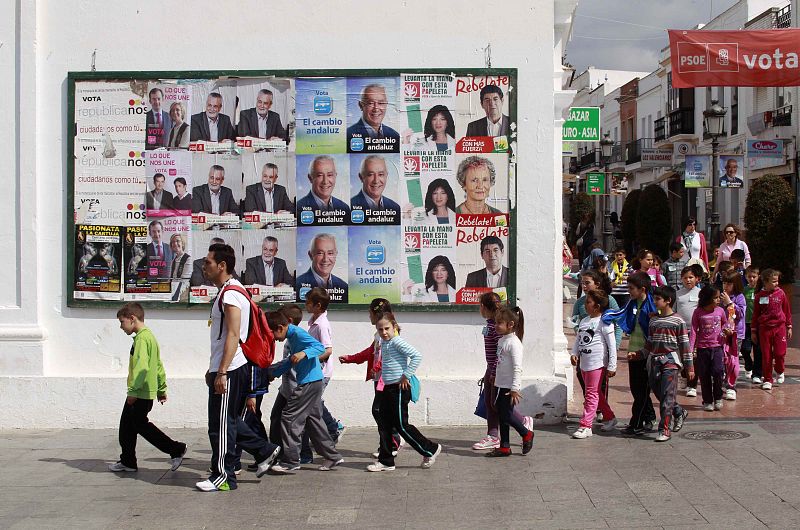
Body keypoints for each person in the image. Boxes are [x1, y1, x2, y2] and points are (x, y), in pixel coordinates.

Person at [195, 244, 282, 492]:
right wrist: (213, 369)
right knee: (229, 421)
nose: (204, 266)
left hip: (232, 369)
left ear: (222, 266)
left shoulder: (231, 293)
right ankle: (264, 450)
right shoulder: (231, 291)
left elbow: (233, 335)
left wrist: (221, 371)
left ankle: (223, 476)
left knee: (220, 425)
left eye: (208, 262)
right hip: (228, 367)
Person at [108, 303, 187, 473]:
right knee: (127, 428)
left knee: (140, 426)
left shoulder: (142, 339)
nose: (121, 327)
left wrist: (133, 392)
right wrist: (161, 389)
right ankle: (128, 461)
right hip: (145, 391)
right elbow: (157, 365)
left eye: (122, 322)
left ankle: (176, 449)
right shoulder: (149, 336)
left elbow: (142, 367)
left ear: (132, 318)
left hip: (140, 393)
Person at [267, 310, 344, 473]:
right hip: (313, 381)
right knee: (313, 420)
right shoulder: (292, 336)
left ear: (280, 327)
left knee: (288, 417)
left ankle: (291, 461)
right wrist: (274, 372)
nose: (273, 338)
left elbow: (320, 347)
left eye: (272, 333)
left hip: (309, 382)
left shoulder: (298, 334)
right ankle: (332, 456)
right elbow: (292, 360)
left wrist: (304, 353)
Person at [366, 312, 443, 470]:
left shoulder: (397, 342)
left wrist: (405, 375)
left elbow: (416, 356)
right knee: (384, 424)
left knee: (401, 425)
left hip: (399, 389)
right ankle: (386, 461)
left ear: (394, 327)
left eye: (387, 328)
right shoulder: (384, 342)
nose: (384, 332)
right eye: (380, 329)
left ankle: (430, 449)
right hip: (387, 387)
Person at [338, 298, 403, 458]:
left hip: (387, 379)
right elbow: (370, 352)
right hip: (379, 379)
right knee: (382, 411)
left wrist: (378, 366)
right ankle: (387, 444)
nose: (369, 316)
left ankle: (393, 440)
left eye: (370, 313)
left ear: (377, 313)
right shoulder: (378, 334)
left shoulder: (390, 333)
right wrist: (351, 358)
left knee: (380, 410)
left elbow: (389, 355)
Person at [472, 293, 533, 450]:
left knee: (496, 406)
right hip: (493, 371)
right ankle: (505, 442)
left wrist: (494, 373)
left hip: (497, 373)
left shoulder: (498, 331)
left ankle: (499, 435)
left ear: (483, 307)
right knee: (494, 404)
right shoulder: (494, 327)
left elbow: (511, 363)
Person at [602, 271, 657, 435]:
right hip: (633, 352)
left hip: (645, 354)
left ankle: (637, 423)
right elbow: (619, 315)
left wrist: (645, 351)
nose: (629, 292)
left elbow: (653, 332)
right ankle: (649, 417)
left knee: (641, 391)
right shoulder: (632, 304)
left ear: (643, 289)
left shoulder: (651, 307)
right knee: (637, 389)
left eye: (632, 288)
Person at [634, 286, 692, 442]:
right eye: (654, 298)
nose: (655, 302)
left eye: (658, 299)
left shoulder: (678, 321)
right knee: (659, 392)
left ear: (668, 301)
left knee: (667, 395)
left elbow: (684, 345)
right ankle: (678, 411)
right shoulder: (654, 320)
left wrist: (689, 367)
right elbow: (650, 342)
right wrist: (640, 354)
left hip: (670, 363)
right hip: (654, 362)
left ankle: (664, 429)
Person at [299, 288, 344, 464]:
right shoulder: (313, 321)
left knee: (311, 405)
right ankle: (333, 428)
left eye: (308, 301)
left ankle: (332, 429)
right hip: (314, 371)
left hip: (321, 372)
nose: (306, 304)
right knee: (315, 404)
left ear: (318, 305)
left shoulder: (322, 325)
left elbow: (327, 350)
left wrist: (307, 359)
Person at [484, 307, 535, 456]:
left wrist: (515, 388)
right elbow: (500, 361)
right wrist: (494, 376)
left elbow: (517, 367)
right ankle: (504, 446)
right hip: (500, 384)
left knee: (506, 415)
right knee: (501, 415)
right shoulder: (502, 340)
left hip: (508, 387)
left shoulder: (514, 343)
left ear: (510, 324)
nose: (496, 326)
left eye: (500, 323)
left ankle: (526, 433)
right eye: (496, 322)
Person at [570, 290, 618, 439]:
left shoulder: (604, 322)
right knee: (595, 393)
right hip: (584, 362)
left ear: (597, 306)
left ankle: (586, 425)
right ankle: (610, 417)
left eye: (588, 302)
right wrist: (574, 353)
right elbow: (578, 339)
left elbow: (611, 345)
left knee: (590, 394)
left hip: (597, 364)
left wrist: (612, 365)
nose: (585, 305)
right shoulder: (584, 322)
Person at [690, 285, 730, 412]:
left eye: (719, 297)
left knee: (718, 372)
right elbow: (694, 330)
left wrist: (727, 331)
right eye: (716, 298)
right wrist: (691, 348)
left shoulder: (720, 311)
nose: (718, 300)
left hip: (717, 347)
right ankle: (707, 400)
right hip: (702, 349)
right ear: (707, 299)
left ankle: (718, 396)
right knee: (704, 375)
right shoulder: (698, 312)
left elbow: (726, 323)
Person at [752, 268, 793, 390]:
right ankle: (768, 379)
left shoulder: (781, 293)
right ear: (765, 282)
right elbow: (756, 314)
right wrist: (753, 330)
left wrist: (789, 326)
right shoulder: (759, 296)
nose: (776, 284)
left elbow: (787, 310)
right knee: (766, 355)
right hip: (764, 329)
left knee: (780, 353)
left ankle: (780, 370)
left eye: (777, 281)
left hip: (779, 327)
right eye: (774, 281)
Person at [676, 266, 702, 398]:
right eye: (685, 278)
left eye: (691, 277)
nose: (688, 280)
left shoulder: (700, 293)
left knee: (693, 357)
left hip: (695, 331)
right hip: (681, 331)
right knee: (682, 357)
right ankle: (685, 376)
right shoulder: (678, 294)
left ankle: (692, 385)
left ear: (697, 279)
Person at [721, 271, 746, 400]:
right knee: (723, 358)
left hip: (736, 334)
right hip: (722, 333)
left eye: (729, 283)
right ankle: (723, 380)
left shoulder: (739, 297)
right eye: (724, 282)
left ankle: (731, 385)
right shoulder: (720, 296)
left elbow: (740, 314)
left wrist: (729, 303)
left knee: (733, 360)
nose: (726, 286)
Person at [742, 266, 762, 383]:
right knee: (745, 348)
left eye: (754, 277)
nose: (752, 279)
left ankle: (757, 374)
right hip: (746, 323)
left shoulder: (762, 291)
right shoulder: (744, 291)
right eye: (749, 277)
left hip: (759, 325)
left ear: (758, 277)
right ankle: (748, 364)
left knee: (758, 350)